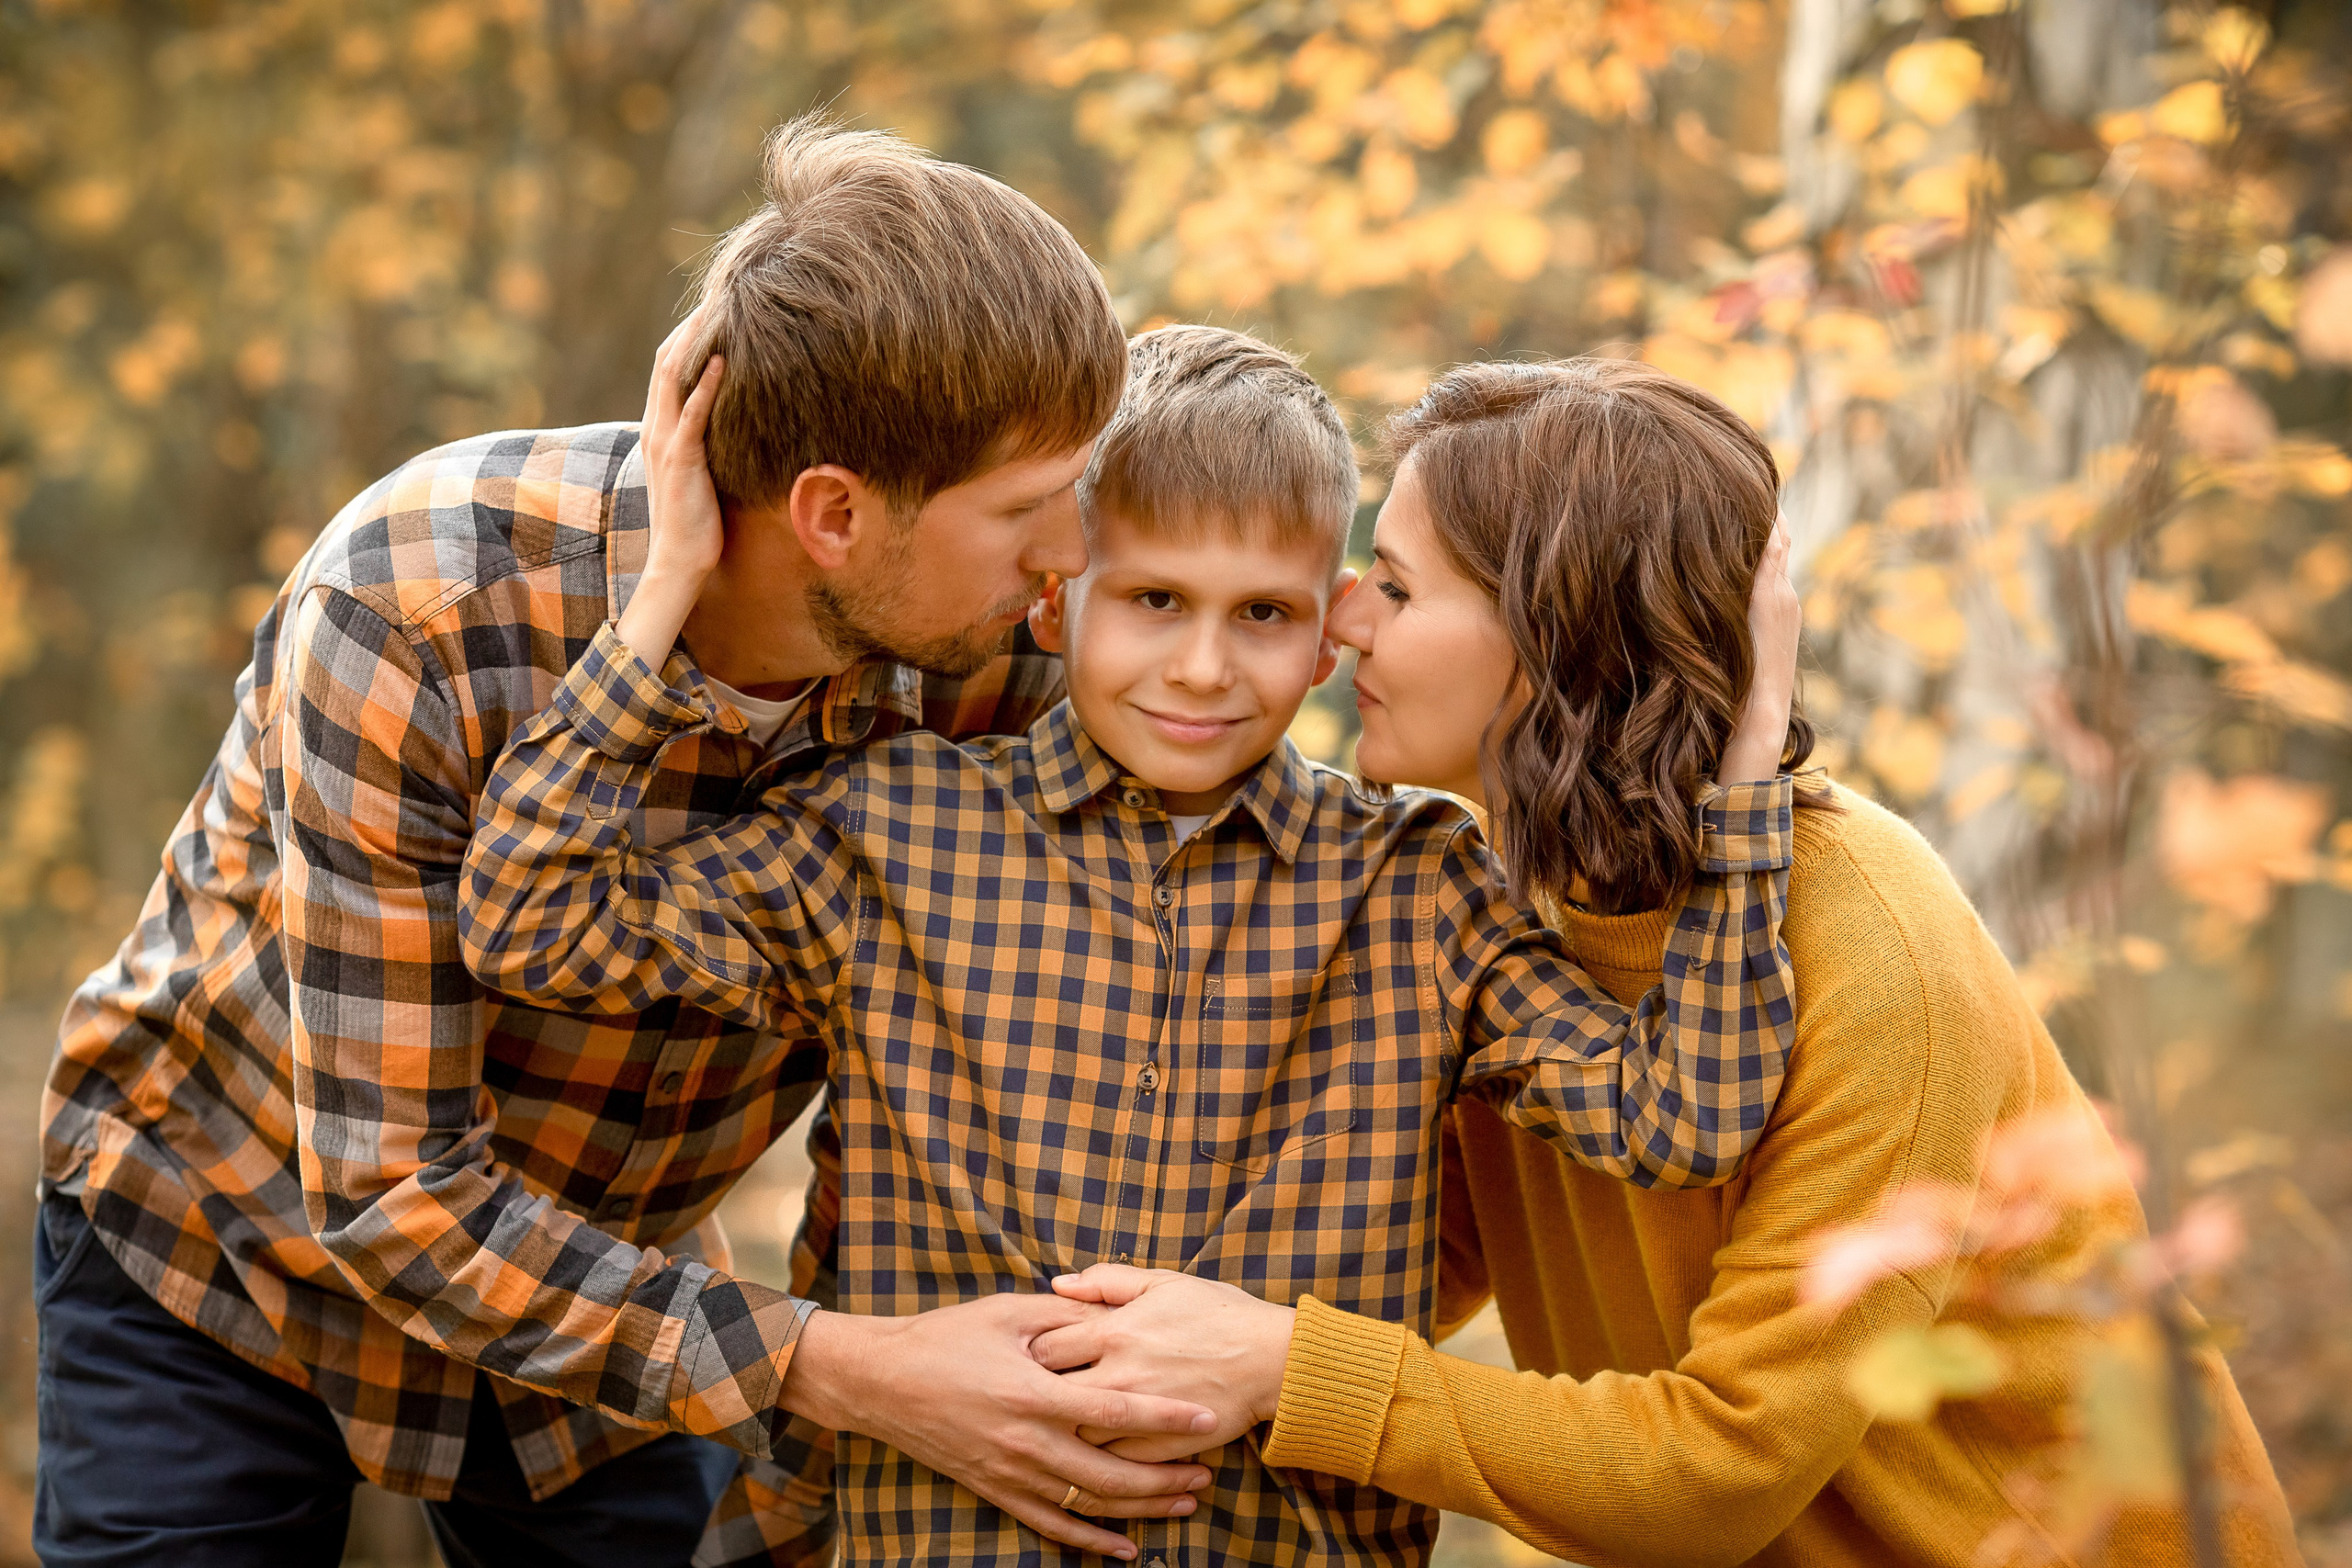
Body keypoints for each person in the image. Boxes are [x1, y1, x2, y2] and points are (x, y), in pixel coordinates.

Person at [31, 117, 1228, 1568]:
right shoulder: (416, 609)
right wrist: (845, 1370)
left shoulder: (997, 663)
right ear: (834, 515)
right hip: (225, 1242)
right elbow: (400, 1198)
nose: (1072, 561)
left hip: (616, 1302)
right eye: (1032, 511)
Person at [456, 325, 1807, 1564]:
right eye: (1154, 600)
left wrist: (1746, 778)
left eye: (1262, 614)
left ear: (1332, 625)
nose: (1207, 669)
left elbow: (1678, 1119)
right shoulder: (885, 831)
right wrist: (664, 596)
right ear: (1057, 601)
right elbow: (533, 922)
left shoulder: (1420, 890)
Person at [1039, 358, 2304, 1565]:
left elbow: (1721, 1474)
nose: (1345, 616)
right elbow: (1400, 1255)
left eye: (1402, 587)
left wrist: (1284, 1365)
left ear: (1556, 640)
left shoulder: (1869, 946)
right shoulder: (1486, 896)